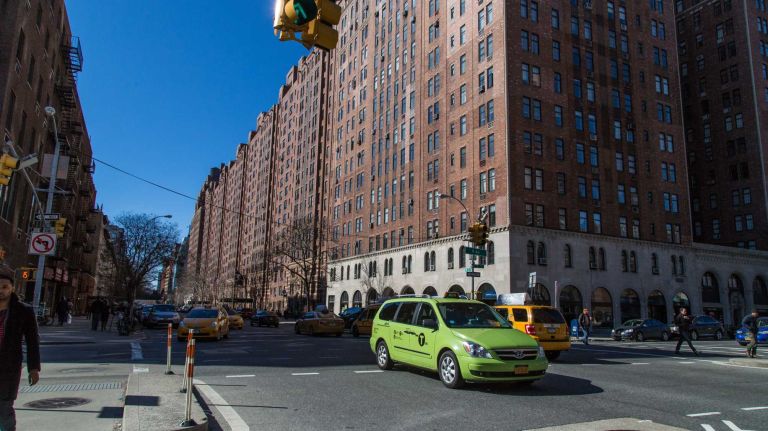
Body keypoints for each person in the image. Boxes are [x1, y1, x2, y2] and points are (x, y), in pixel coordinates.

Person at [0, 267, 41, 431]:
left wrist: (34, 368)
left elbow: (32, 341)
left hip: (8, 367)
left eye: (5, 287)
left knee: (4, 408)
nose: (1, 291)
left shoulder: (23, 311)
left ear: (12, 288)